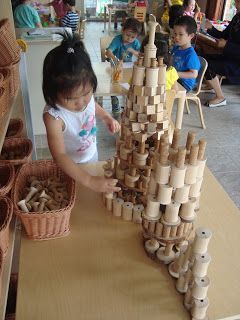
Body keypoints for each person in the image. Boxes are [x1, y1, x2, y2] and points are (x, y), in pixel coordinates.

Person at [42, 32, 121, 194]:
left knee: (91, 196)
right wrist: (89, 180)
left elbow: (93, 106)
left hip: (92, 153)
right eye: (72, 99)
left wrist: (106, 117)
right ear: (52, 92)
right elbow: (60, 156)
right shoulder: (53, 117)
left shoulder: (86, 98)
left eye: (87, 94)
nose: (82, 103)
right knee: (76, 197)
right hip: (71, 166)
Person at [202, 0, 240, 107]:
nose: (236, 4)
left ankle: (220, 97)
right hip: (228, 57)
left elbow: (227, 42)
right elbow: (224, 35)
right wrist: (210, 28)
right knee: (202, 59)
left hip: (236, 64)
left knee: (207, 65)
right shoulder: (237, 18)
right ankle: (211, 85)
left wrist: (226, 45)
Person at [106, 17, 142, 114]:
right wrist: (116, 60)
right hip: (115, 66)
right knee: (114, 84)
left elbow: (142, 55)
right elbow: (108, 52)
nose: (129, 39)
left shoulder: (135, 43)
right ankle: (114, 100)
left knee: (129, 84)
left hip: (128, 67)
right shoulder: (117, 40)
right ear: (123, 31)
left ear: (136, 37)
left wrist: (133, 51)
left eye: (132, 37)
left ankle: (128, 104)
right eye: (127, 35)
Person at [171, 15, 200, 91]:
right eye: (175, 33)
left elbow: (194, 74)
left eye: (180, 34)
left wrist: (176, 74)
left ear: (191, 36)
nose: (176, 37)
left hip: (184, 84)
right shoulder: (176, 47)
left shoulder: (190, 55)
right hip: (175, 78)